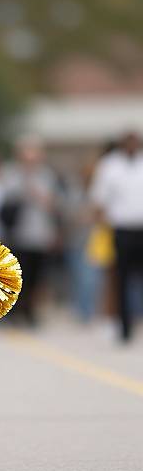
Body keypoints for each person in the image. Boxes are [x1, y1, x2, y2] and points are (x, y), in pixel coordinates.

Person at [0, 134, 61, 326]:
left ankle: (30, 310)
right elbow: (6, 200)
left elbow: (53, 204)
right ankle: (15, 311)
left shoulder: (47, 176)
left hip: (40, 234)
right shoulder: (10, 173)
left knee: (36, 276)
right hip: (18, 233)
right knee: (17, 275)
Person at [90, 132, 143, 342]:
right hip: (121, 229)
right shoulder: (110, 166)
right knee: (120, 279)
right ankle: (123, 326)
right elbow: (99, 199)